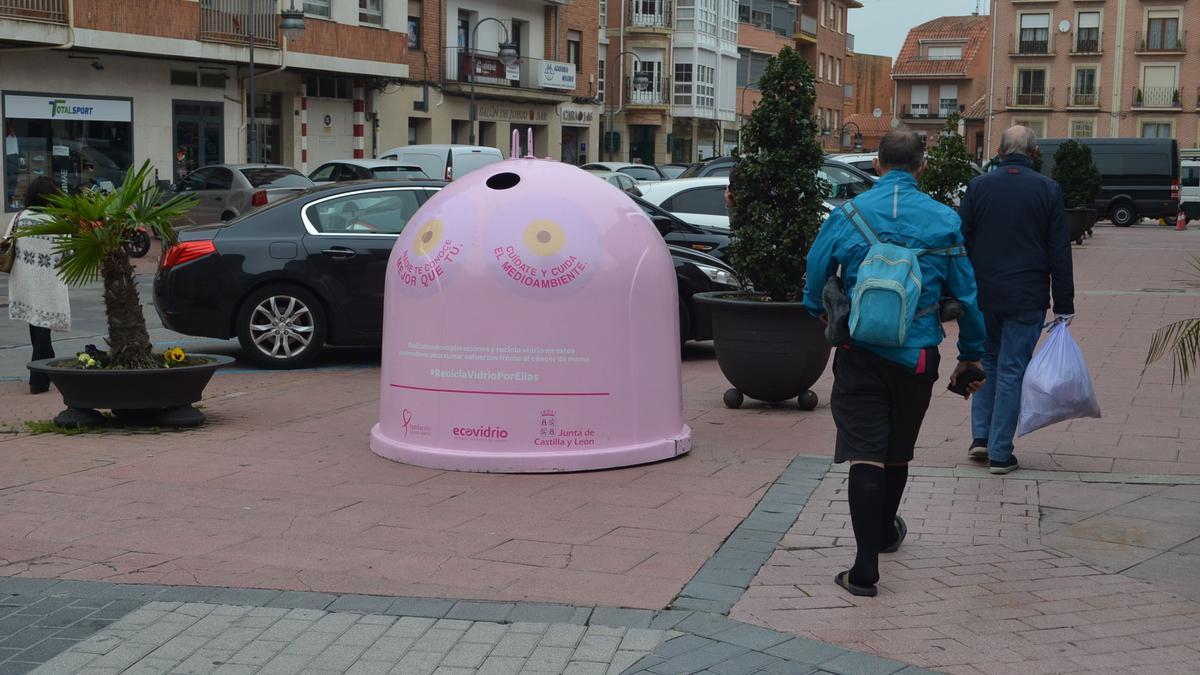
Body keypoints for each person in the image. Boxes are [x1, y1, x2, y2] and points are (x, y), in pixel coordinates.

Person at [803, 128, 987, 597]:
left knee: (865, 453)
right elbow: (967, 294)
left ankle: (865, 568)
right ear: (921, 167)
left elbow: (814, 271)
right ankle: (885, 531)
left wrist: (820, 311)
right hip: (918, 354)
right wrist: (970, 354)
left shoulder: (848, 214)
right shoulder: (944, 220)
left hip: (859, 353)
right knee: (898, 451)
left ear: (877, 165)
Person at [958, 126, 1074, 475]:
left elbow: (961, 241)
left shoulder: (978, 187)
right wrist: (1064, 302)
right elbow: (1059, 250)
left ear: (999, 150)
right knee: (1011, 370)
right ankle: (999, 452)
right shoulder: (1048, 189)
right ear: (1034, 153)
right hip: (1027, 295)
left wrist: (959, 292)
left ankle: (980, 437)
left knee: (988, 361)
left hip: (983, 294)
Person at [3, 177, 70, 394]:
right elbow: (68, 251)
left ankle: (43, 376)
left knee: (37, 327)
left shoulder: (20, 217)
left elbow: (6, 241)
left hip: (24, 280)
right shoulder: (57, 220)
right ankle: (38, 380)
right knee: (42, 331)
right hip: (49, 282)